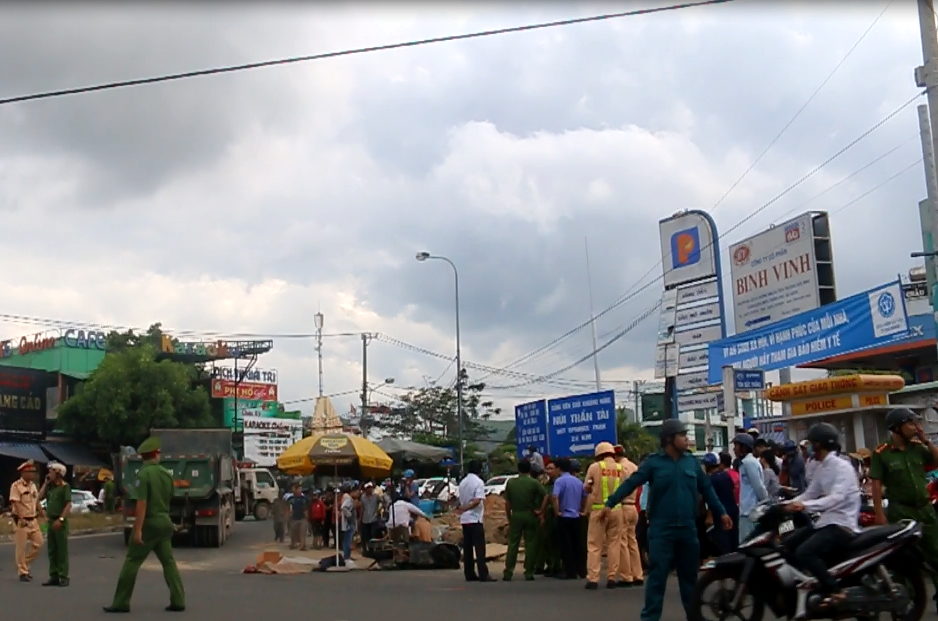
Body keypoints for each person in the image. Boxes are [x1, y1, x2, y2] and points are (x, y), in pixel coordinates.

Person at [603, 419, 732, 621]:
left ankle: (694, 617)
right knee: (657, 578)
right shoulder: (653, 463)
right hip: (661, 530)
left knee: (690, 580)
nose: (687, 439)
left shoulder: (692, 462)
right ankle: (650, 618)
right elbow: (631, 483)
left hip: (688, 530)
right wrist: (610, 503)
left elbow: (707, 490)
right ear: (669, 439)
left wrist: (722, 513)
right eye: (682, 435)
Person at [783, 423, 860, 609]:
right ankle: (809, 584)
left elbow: (836, 498)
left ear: (820, 444)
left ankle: (835, 590)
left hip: (842, 524)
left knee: (805, 551)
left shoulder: (843, 467)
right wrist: (782, 505)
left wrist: (803, 505)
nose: (808, 448)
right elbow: (810, 493)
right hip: (826, 522)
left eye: (811, 443)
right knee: (787, 545)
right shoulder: (821, 467)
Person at [105, 436, 185, 613]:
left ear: (143, 456)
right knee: (169, 563)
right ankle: (178, 600)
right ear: (156, 454)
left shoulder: (143, 474)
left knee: (132, 561)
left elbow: (141, 504)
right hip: (165, 522)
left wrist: (138, 530)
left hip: (149, 522)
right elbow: (171, 496)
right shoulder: (166, 473)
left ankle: (121, 602)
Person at [870, 407, 938, 609]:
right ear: (897, 428)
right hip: (901, 512)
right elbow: (876, 485)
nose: (915, 427)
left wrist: (926, 440)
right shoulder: (881, 453)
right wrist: (879, 514)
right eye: (910, 423)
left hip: (925, 510)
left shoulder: (918, 448)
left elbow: (936, 460)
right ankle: (906, 601)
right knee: (904, 559)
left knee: (936, 553)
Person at [583, 442, 624, 590]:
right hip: (617, 509)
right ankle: (612, 577)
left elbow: (586, 487)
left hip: (598, 509)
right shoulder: (620, 468)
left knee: (594, 545)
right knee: (614, 544)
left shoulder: (595, 467)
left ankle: (593, 579)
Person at [502, 459, 545, 582]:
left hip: (516, 515)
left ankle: (508, 571)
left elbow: (507, 503)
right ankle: (529, 572)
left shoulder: (511, 483)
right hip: (530, 515)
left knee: (513, 544)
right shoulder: (534, 483)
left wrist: (510, 517)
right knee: (530, 544)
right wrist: (540, 511)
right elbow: (546, 495)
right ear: (530, 469)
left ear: (518, 469)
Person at [456, 460, 495, 582]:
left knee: (467, 548)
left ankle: (469, 573)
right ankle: (483, 573)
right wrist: (466, 508)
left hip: (465, 520)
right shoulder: (478, 482)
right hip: (475, 518)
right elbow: (478, 500)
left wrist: (462, 509)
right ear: (479, 470)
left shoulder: (463, 482)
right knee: (479, 548)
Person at [613, 444, 642, 587]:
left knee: (622, 542)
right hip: (633, 506)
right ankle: (638, 574)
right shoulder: (634, 466)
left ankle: (626, 576)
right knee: (633, 542)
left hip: (623, 505)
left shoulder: (620, 468)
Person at [552, 457, 585, 580]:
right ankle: (581, 570)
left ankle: (570, 572)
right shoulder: (577, 481)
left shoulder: (559, 481)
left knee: (566, 545)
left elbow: (555, 497)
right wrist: (583, 510)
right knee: (578, 544)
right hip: (576, 516)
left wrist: (557, 511)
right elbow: (585, 496)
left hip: (564, 516)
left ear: (559, 469)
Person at [9, 460, 43, 582]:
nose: (33, 474)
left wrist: (43, 513)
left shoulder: (33, 485)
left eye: (34, 472)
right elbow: (15, 502)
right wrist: (21, 517)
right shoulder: (16, 486)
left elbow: (36, 500)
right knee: (21, 548)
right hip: (21, 521)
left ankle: (24, 564)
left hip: (33, 519)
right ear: (23, 473)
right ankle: (23, 572)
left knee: (39, 543)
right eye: (30, 472)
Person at [40, 462, 71, 587]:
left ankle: (63, 576)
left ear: (58, 473)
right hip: (50, 520)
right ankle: (53, 575)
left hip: (60, 521)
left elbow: (68, 504)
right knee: (51, 550)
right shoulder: (50, 487)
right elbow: (39, 497)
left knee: (61, 550)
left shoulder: (65, 487)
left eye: (52, 471)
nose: (49, 473)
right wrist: (45, 483)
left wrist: (61, 519)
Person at [734, 433, 768, 543]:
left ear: (743, 447)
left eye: (736, 445)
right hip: (747, 511)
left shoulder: (749, 463)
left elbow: (759, 487)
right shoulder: (746, 463)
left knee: (746, 544)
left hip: (750, 512)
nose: (734, 449)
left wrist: (764, 502)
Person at [703, 453, 738, 555]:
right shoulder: (726, 476)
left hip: (721, 514)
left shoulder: (711, 479)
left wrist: (709, 517)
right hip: (733, 509)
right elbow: (733, 490)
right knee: (733, 539)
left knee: (723, 542)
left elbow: (712, 499)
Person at [534, 461, 562, 577]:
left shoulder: (559, 483)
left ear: (557, 470)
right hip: (548, 515)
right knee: (549, 541)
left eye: (551, 468)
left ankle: (558, 566)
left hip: (557, 514)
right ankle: (552, 565)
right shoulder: (547, 484)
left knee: (557, 542)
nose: (548, 471)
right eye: (547, 469)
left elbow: (550, 498)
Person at [359, 482, 383, 552]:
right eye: (367, 488)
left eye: (370, 488)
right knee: (365, 535)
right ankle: (367, 549)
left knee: (373, 534)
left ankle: (374, 549)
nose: (369, 490)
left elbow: (382, 502)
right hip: (365, 519)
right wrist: (360, 518)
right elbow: (362, 508)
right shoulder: (362, 497)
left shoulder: (376, 496)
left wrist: (379, 510)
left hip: (373, 519)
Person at [287, 483, 309, 551]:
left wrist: (307, 517)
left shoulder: (304, 499)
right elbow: (288, 508)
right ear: (295, 490)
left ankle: (303, 545)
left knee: (302, 533)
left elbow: (306, 508)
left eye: (301, 489)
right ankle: (293, 544)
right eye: (299, 489)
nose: (300, 490)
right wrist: (288, 516)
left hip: (302, 518)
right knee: (293, 533)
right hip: (294, 518)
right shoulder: (291, 499)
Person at [340, 485, 359, 561]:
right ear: (353, 492)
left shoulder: (350, 499)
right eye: (357, 492)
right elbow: (343, 507)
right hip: (348, 523)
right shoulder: (348, 499)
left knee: (348, 540)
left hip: (350, 523)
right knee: (348, 540)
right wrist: (349, 516)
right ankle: (347, 556)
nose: (358, 494)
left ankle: (347, 555)